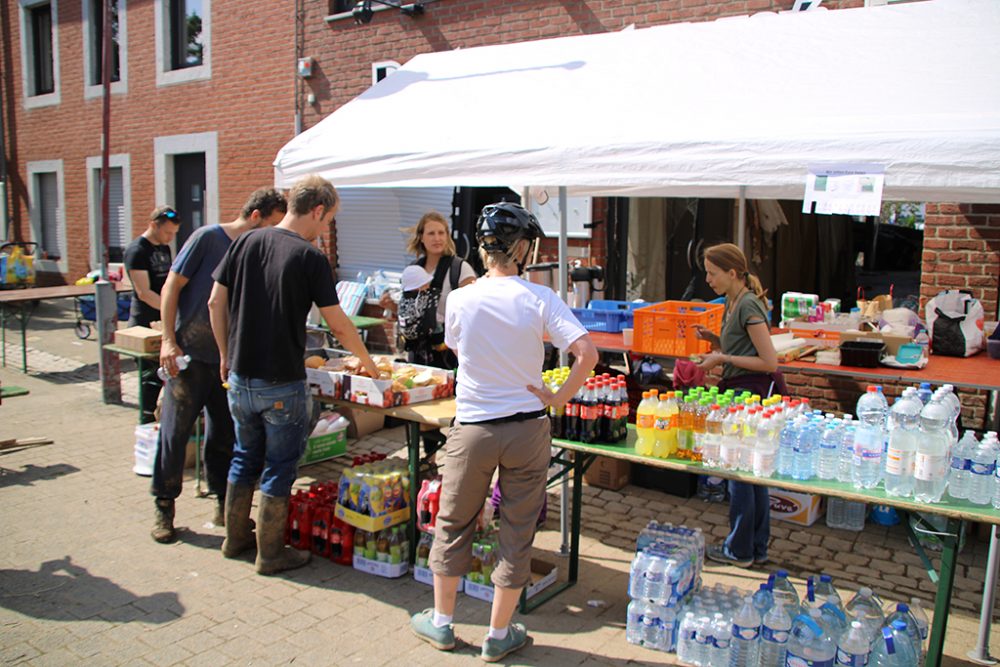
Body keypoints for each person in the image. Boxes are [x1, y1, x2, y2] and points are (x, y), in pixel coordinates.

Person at [409, 203, 598, 662]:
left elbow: (456, 346)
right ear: (522, 248)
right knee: (516, 530)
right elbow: (586, 354)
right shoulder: (541, 297)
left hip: (473, 426)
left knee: (453, 523)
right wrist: (558, 398)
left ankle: (442, 623)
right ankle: (498, 633)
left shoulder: (460, 297)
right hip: (527, 427)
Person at [208, 175, 380, 575]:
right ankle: (270, 553)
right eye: (327, 221)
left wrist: (223, 353)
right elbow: (339, 324)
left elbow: (216, 299)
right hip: (280, 380)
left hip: (239, 375)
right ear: (317, 210)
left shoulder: (248, 240)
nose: (324, 230)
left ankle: (235, 539)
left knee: (243, 457)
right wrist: (369, 364)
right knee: (279, 467)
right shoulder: (309, 257)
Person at [149, 188, 288, 544]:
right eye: (272, 224)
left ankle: (223, 507)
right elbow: (171, 288)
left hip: (231, 360)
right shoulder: (207, 238)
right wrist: (168, 339)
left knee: (224, 437)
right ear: (256, 217)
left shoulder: (257, 249)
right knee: (174, 434)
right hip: (191, 356)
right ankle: (164, 506)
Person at [694, 242, 785, 568]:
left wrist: (722, 357)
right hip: (738, 390)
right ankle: (755, 546)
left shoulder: (748, 306)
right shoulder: (732, 303)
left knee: (740, 473)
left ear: (733, 273)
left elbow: (769, 361)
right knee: (751, 473)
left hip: (752, 394)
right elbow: (741, 347)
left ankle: (740, 549)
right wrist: (715, 341)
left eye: (712, 273)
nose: (708, 280)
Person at [379, 211, 477, 369]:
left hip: (450, 352)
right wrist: (391, 307)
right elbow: (411, 313)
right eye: (431, 233)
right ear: (421, 237)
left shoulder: (459, 269)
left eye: (441, 233)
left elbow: (473, 311)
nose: (437, 238)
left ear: (447, 236)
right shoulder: (413, 270)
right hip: (417, 353)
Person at [124, 206, 182, 424]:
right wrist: (171, 309)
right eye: (167, 232)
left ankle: (161, 414)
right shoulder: (137, 250)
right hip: (145, 319)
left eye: (174, 233)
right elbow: (144, 292)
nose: (170, 238)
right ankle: (147, 417)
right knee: (150, 375)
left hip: (163, 317)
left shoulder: (164, 248)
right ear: (153, 225)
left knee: (165, 372)